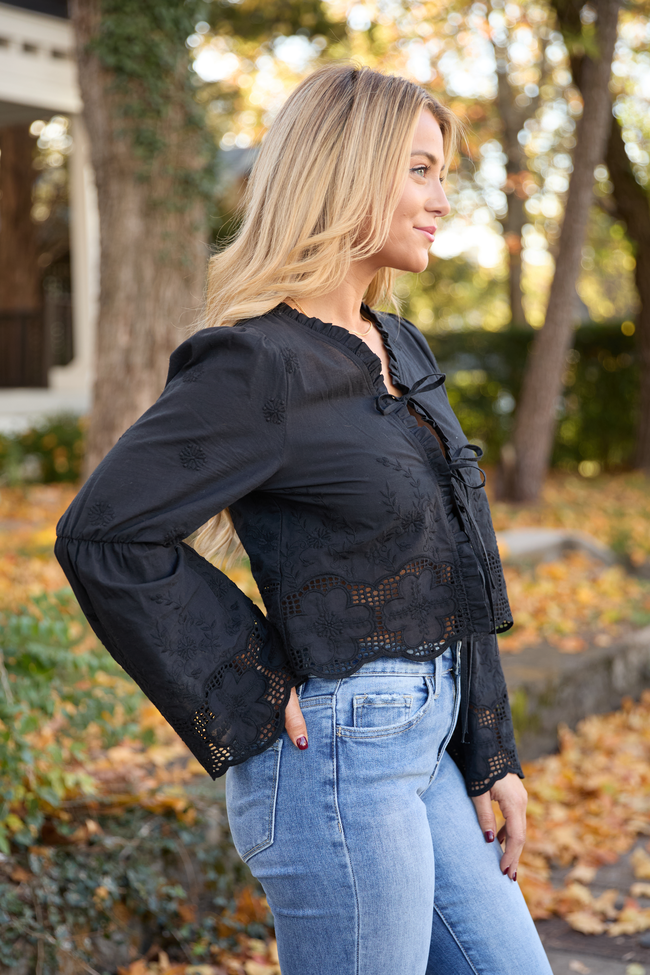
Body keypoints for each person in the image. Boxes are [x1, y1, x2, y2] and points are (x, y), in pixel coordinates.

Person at [55, 64, 553, 975]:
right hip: (337, 767)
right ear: (345, 171)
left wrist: (492, 752)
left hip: (430, 748)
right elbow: (104, 533)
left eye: (443, 174)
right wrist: (248, 677)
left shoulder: (399, 346)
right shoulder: (257, 364)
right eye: (420, 171)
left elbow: (458, 559)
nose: (442, 200)